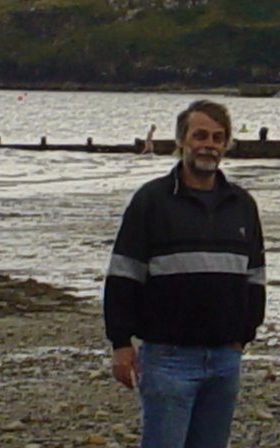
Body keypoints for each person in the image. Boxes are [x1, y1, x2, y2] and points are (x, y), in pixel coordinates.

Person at [103, 99, 266, 448]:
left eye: (218, 138)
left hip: (225, 357)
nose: (209, 145)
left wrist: (244, 335)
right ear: (182, 140)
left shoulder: (242, 205)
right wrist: (120, 342)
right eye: (200, 135)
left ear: (226, 145)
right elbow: (123, 274)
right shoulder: (151, 201)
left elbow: (255, 276)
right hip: (167, 358)